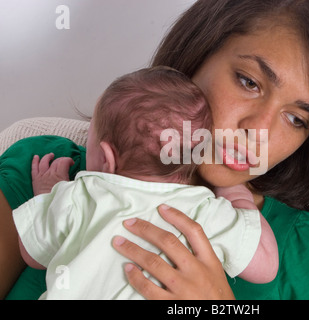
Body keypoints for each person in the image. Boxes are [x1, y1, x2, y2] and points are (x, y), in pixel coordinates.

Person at [1, 0, 309, 300]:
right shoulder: (48, 170)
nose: (257, 131)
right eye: (248, 82)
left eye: (297, 119)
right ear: (198, 53)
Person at [11, 67, 278, 299]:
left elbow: (33, 255)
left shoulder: (81, 195)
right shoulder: (203, 211)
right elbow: (265, 267)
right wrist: (235, 192)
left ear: (107, 159)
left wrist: (49, 191)